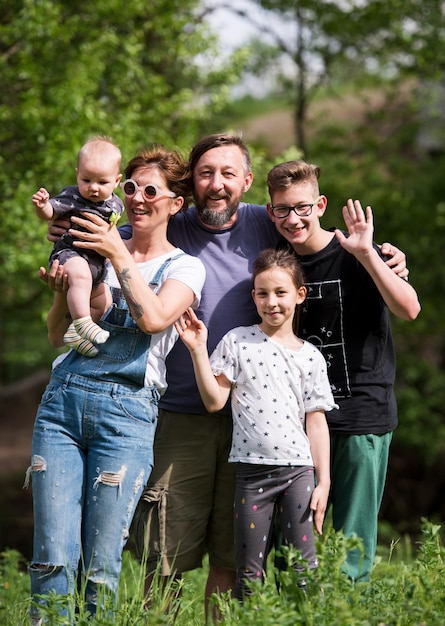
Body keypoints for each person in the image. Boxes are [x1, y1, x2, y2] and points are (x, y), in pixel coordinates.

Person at [47, 133, 409, 621]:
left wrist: (385, 256)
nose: (216, 186)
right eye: (205, 174)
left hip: (255, 420)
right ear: (188, 186)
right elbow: (118, 209)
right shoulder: (170, 218)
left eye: (228, 175)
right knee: (165, 552)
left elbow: (315, 229)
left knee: (234, 556)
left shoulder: (270, 220)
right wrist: (65, 231)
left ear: (247, 182)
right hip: (179, 413)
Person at [26, 145, 206, 623]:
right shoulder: (90, 236)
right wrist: (62, 294)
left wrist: (117, 253)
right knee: (50, 559)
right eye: (131, 188)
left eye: (152, 191)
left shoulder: (185, 267)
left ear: (175, 203)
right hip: (62, 405)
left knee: (102, 567)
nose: (139, 198)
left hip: (125, 416)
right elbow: (52, 335)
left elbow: (154, 319)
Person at [266, 159, 421, 583]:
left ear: (320, 204)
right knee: (291, 548)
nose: (293, 218)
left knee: (354, 549)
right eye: (282, 209)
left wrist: (369, 254)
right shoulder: (276, 264)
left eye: (301, 207)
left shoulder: (358, 252)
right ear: (270, 212)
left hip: (361, 417)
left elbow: (409, 309)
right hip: (295, 425)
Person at [175, 248, 337, 600]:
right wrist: (197, 350)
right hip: (250, 475)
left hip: (299, 474)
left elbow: (317, 422)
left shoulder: (310, 355)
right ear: (253, 297)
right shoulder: (237, 341)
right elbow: (214, 400)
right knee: (248, 573)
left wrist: (323, 481)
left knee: (302, 569)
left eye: (280, 292)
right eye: (263, 293)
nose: (272, 301)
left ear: (299, 294)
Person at [32, 136, 125, 357]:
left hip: (97, 264)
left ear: (116, 181)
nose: (93, 188)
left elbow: (112, 232)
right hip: (70, 254)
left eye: (102, 183)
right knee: (81, 277)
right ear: (77, 175)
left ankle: (75, 333)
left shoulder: (116, 204)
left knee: (104, 301)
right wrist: (42, 206)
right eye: (86, 180)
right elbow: (51, 213)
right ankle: (84, 322)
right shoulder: (72, 196)